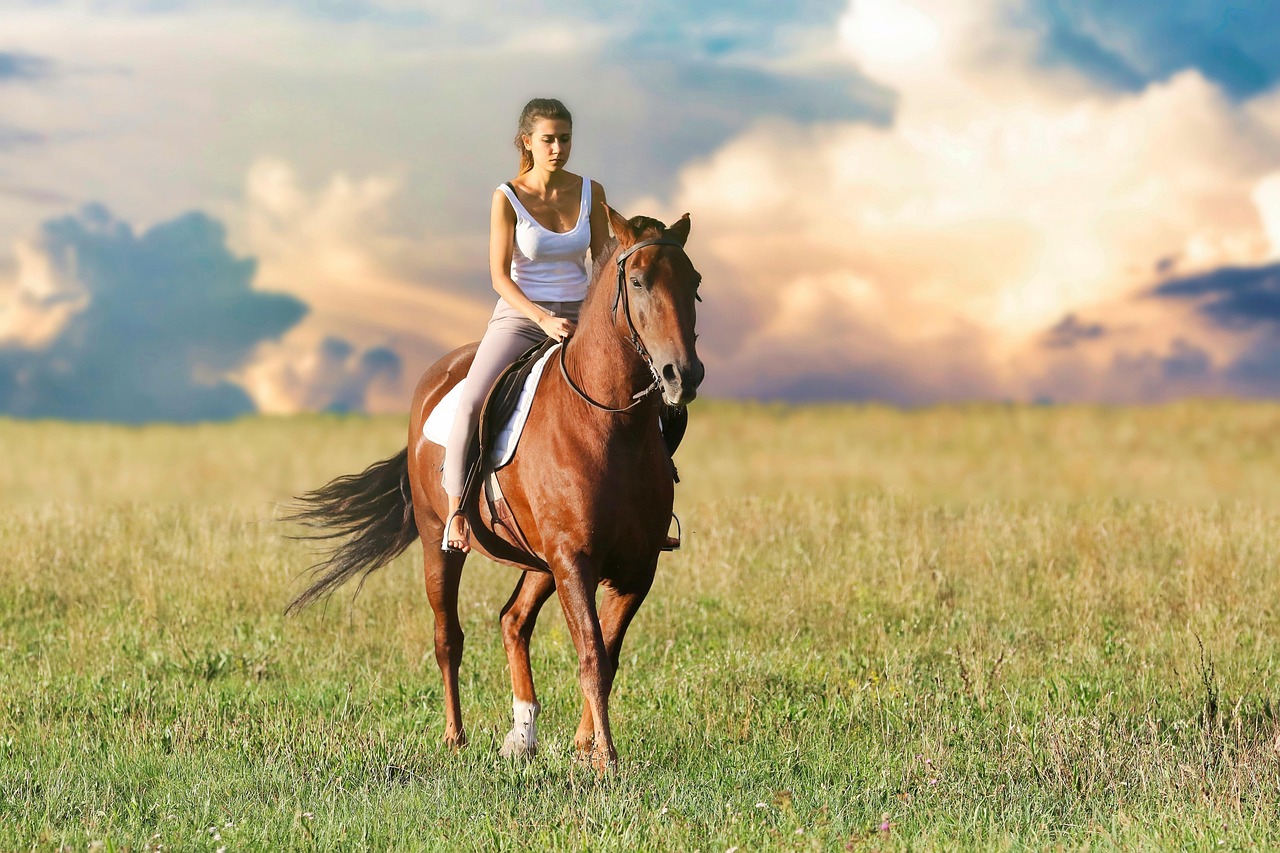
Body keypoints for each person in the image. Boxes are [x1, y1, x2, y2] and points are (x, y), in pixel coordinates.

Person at [442, 97, 610, 553]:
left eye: (566, 139)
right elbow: (499, 276)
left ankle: (649, 503)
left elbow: (604, 262)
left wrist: (595, 318)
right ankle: (457, 510)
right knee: (474, 399)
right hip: (522, 316)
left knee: (648, 393)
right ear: (527, 142)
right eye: (548, 139)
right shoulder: (508, 196)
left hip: (580, 315)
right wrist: (543, 319)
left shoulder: (591, 192)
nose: (558, 148)